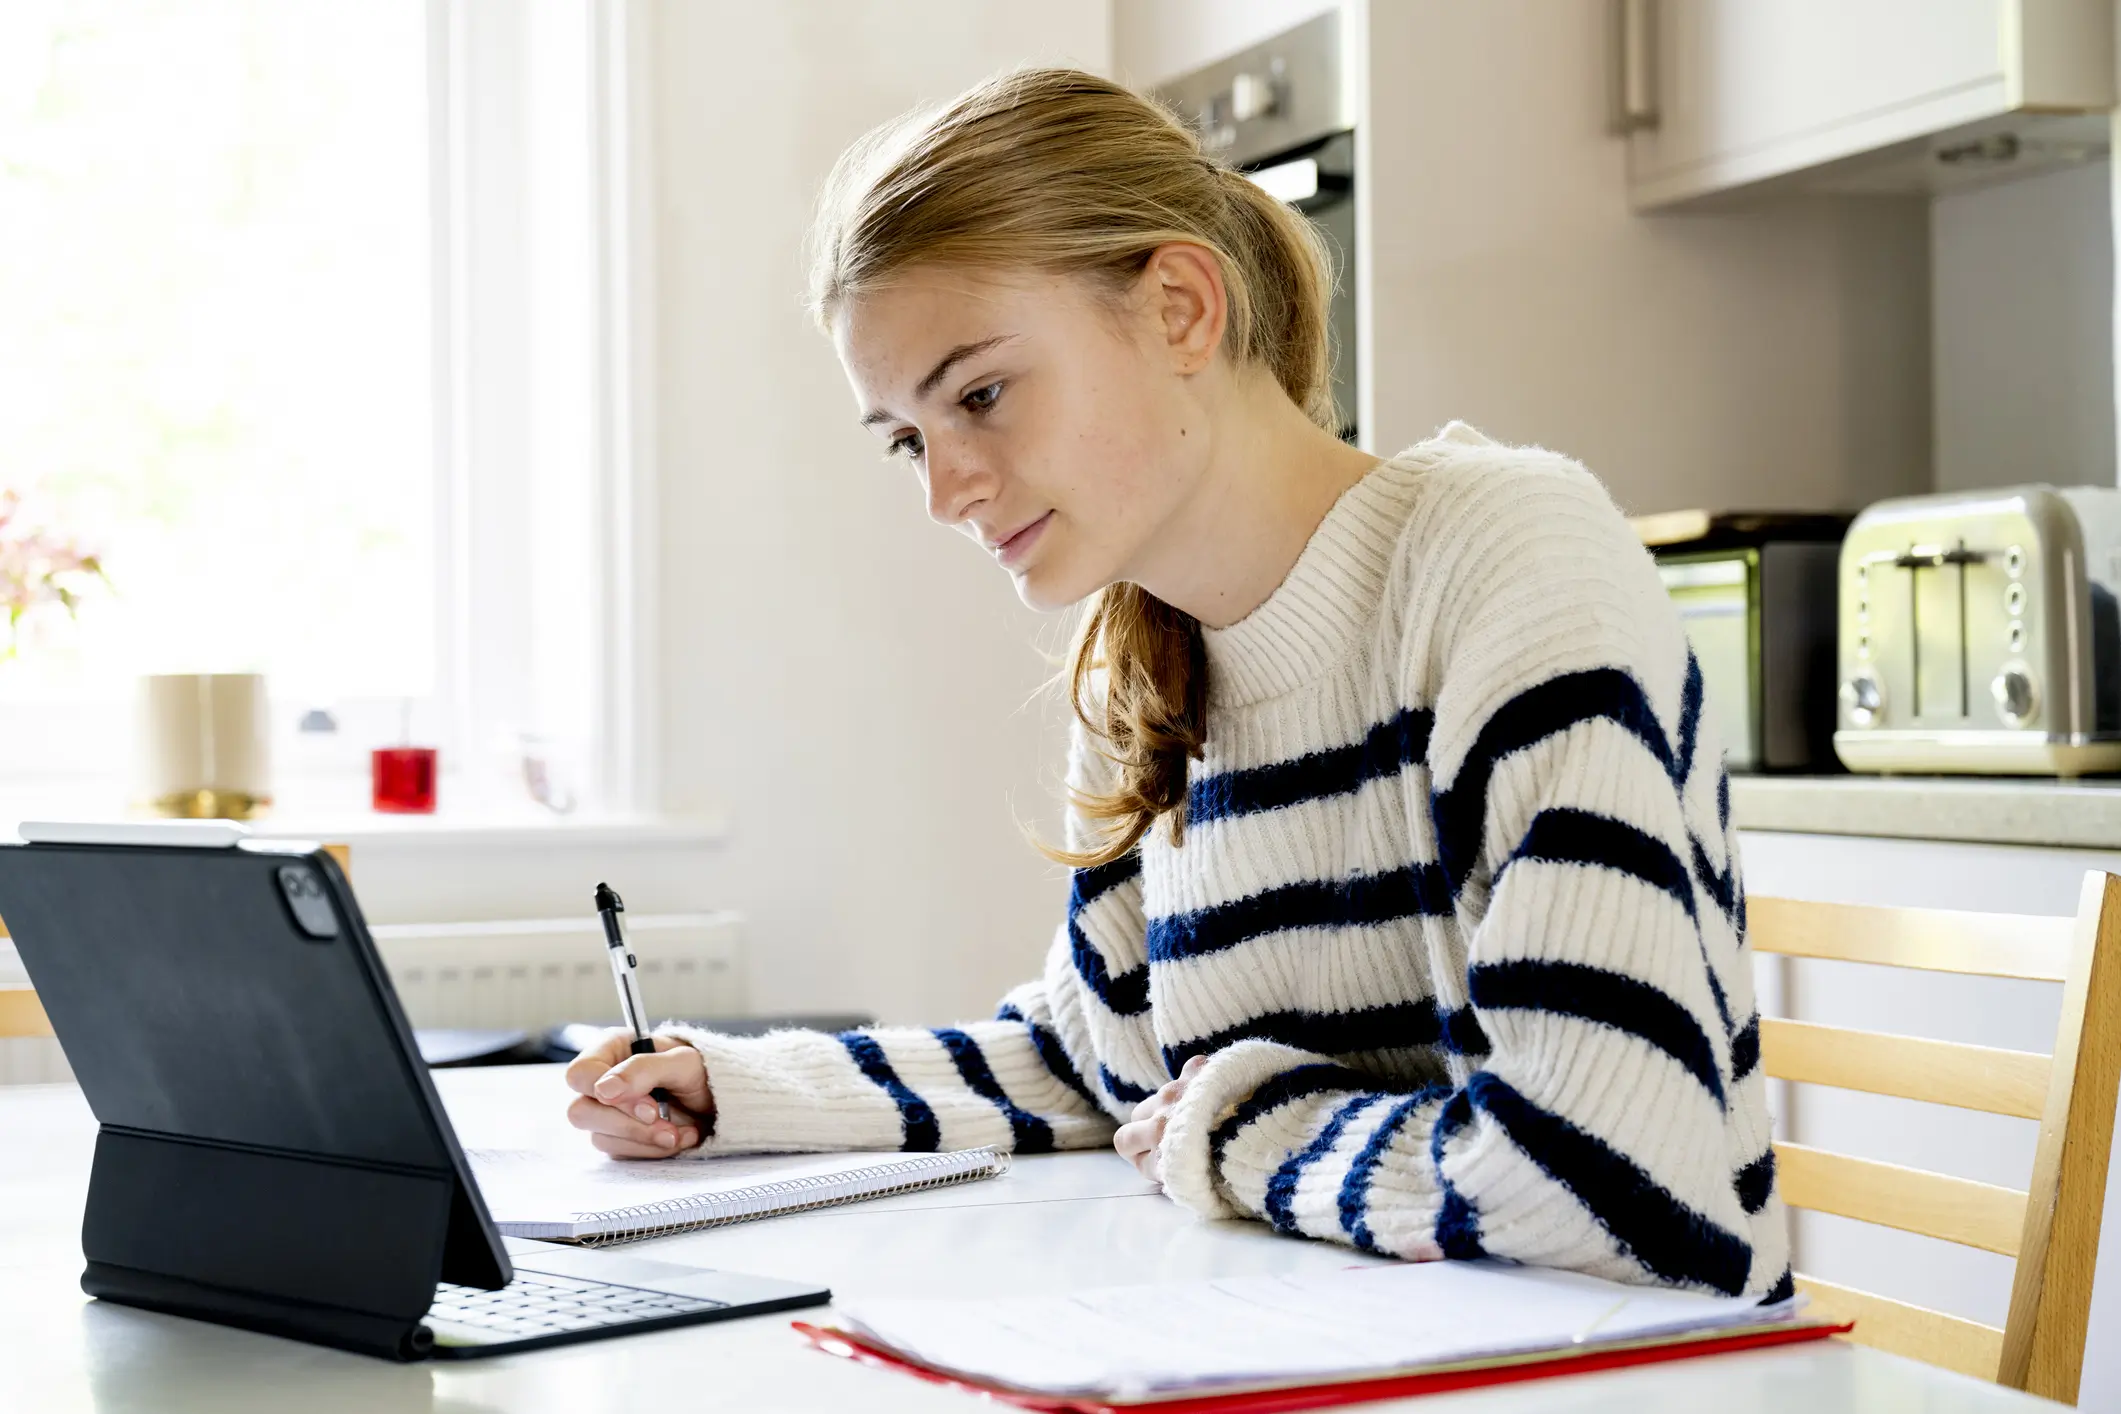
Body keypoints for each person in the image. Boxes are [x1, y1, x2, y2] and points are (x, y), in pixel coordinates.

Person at [565, 67, 1788, 1300]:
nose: (945, 491)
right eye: (907, 439)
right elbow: (1097, 1063)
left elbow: (1615, 1178)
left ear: (1182, 309)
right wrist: (739, 1091)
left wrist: (1242, 1131)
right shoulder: (1142, 666)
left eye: (980, 394)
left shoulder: (1505, 563)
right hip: (1340, 1348)